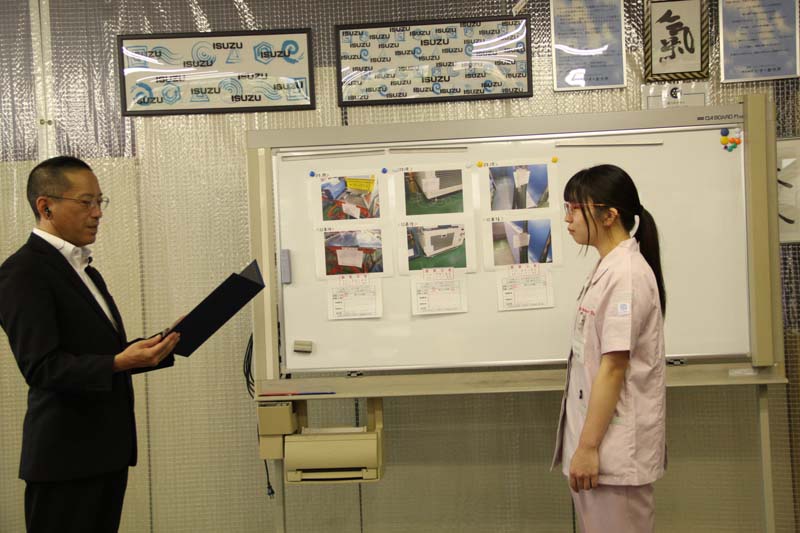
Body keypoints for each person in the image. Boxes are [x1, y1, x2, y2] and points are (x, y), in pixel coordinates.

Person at [0, 156, 180, 533]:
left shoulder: (84, 270)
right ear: (45, 207)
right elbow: (41, 367)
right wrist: (118, 362)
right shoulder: (23, 272)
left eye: (100, 201)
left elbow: (95, 354)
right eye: (86, 202)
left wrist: (149, 350)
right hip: (64, 463)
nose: (98, 213)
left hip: (103, 456)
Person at [551, 164, 667, 533]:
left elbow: (614, 368)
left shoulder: (626, 275)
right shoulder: (609, 268)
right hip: (600, 449)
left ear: (608, 215)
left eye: (575, 208)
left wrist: (587, 448)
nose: (567, 219)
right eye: (566, 208)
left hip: (612, 453)